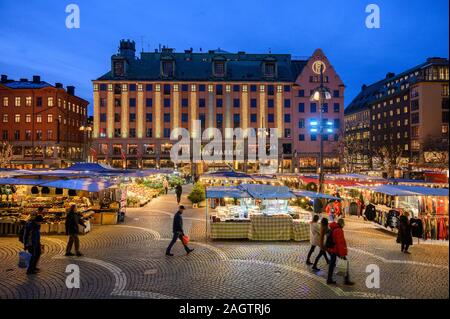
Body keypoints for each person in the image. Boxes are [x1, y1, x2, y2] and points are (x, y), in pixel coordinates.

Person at [326, 218, 354, 285]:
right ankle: (346, 280)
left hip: (333, 249)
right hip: (336, 250)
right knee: (344, 262)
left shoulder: (333, 228)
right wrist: (342, 253)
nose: (344, 225)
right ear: (341, 223)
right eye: (343, 224)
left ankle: (329, 279)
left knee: (332, 264)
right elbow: (340, 243)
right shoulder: (339, 230)